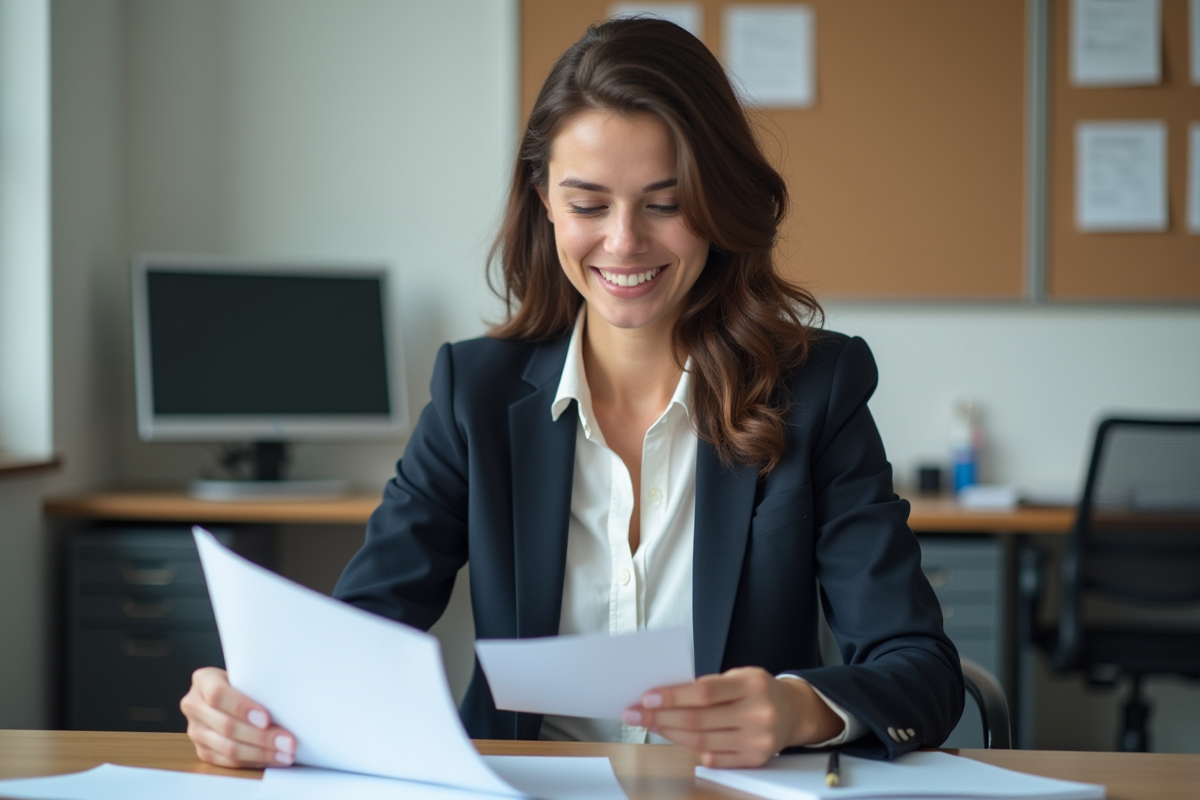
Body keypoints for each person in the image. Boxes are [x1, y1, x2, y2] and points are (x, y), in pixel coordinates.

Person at [181, 17, 963, 770]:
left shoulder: (816, 391)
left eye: (665, 203)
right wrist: (251, 705)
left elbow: (920, 670)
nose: (624, 241)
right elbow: (363, 632)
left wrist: (798, 710)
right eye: (589, 204)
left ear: (720, 205)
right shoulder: (474, 394)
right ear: (545, 200)